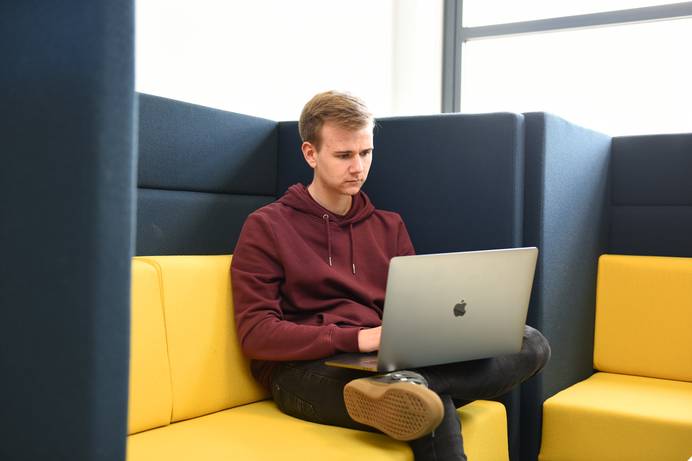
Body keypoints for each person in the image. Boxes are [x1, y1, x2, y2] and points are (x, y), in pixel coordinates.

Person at [231, 90, 550, 460]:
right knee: (428, 406)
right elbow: (256, 334)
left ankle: (409, 385)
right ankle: (411, 389)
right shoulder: (267, 226)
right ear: (310, 154)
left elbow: (412, 309)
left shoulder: (388, 226)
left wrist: (426, 337)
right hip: (302, 372)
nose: (358, 167)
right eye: (344, 155)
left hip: (386, 363)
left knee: (530, 342)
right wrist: (358, 338)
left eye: (365, 153)